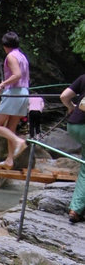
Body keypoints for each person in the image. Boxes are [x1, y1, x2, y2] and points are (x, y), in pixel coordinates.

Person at [0, 31, 29, 168]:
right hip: (24, 93)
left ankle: (18, 141)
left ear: (5, 45)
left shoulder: (11, 56)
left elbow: (17, 75)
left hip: (13, 93)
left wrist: (2, 84)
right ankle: (9, 160)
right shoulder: (22, 57)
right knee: (10, 127)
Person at [60, 75, 85, 223]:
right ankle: (76, 209)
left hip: (74, 125)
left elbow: (64, 96)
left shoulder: (83, 78)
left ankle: (76, 208)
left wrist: (71, 107)